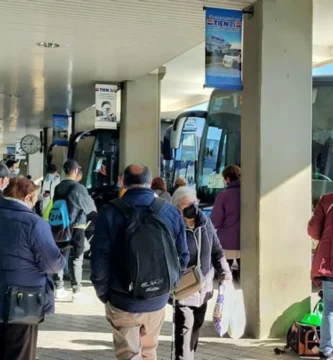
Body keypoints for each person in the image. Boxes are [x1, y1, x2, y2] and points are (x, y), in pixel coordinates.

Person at [91, 164, 189, 360]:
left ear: (123, 182)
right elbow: (183, 256)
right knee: (149, 353)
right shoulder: (170, 212)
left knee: (128, 355)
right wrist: (169, 285)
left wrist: (104, 293)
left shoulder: (109, 212)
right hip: (157, 299)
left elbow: (100, 258)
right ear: (150, 182)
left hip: (122, 300)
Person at [0, 177, 65, 360]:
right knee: (19, 353)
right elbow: (53, 263)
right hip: (21, 302)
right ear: (28, 197)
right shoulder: (34, 223)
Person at [172, 186, 232, 359]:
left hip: (203, 290)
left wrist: (225, 275)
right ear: (177, 208)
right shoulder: (173, 228)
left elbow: (217, 251)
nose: (192, 207)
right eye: (186, 205)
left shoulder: (205, 223)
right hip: (184, 291)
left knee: (194, 335)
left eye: (194, 203)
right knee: (184, 338)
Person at [53, 159, 96, 299]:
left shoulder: (58, 187)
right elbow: (89, 208)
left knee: (60, 256)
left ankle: (58, 288)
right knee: (77, 259)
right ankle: (76, 290)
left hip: (60, 227)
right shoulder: (79, 188)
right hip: (77, 226)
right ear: (76, 171)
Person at [308, 193, 333, 360]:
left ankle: (327, 350)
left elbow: (313, 229)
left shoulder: (327, 199)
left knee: (330, 308)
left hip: (328, 260)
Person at [211, 165, 241, 281]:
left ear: (227, 179)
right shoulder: (249, 193)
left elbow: (215, 221)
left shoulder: (223, 196)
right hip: (246, 241)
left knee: (224, 271)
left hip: (226, 242)